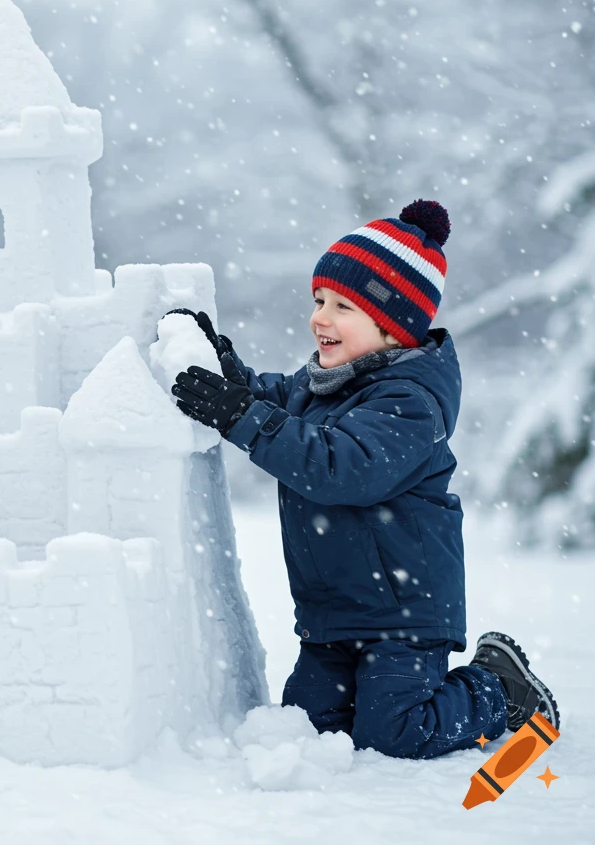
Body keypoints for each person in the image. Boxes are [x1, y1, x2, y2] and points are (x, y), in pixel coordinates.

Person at [168, 199, 559, 758]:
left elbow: (339, 467)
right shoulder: (321, 384)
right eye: (319, 300)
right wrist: (227, 372)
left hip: (403, 613)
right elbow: (271, 399)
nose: (319, 318)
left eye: (342, 306)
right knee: (309, 726)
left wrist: (239, 416)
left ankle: (501, 690)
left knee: (395, 731)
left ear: (393, 328)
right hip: (333, 613)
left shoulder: (410, 402)